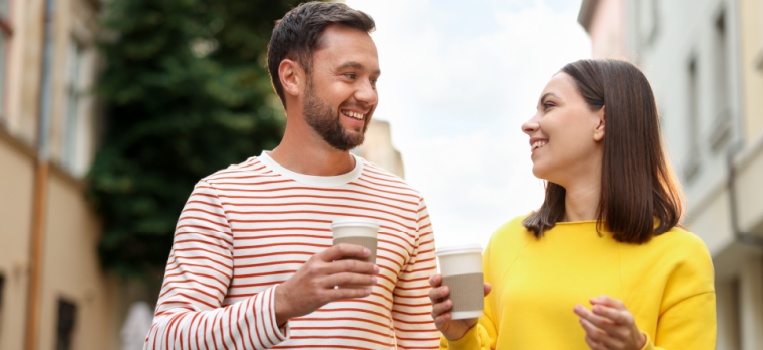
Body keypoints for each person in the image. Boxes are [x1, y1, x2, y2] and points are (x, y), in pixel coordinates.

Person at [144, 2, 440, 349]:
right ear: (292, 76)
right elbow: (165, 340)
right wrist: (282, 302)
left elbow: (421, 344)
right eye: (349, 75)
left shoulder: (405, 204)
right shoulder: (221, 197)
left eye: (373, 80)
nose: (368, 95)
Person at [428, 59, 716, 349]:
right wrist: (460, 337)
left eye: (549, 106)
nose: (528, 124)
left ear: (601, 121)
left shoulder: (681, 256)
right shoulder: (504, 244)